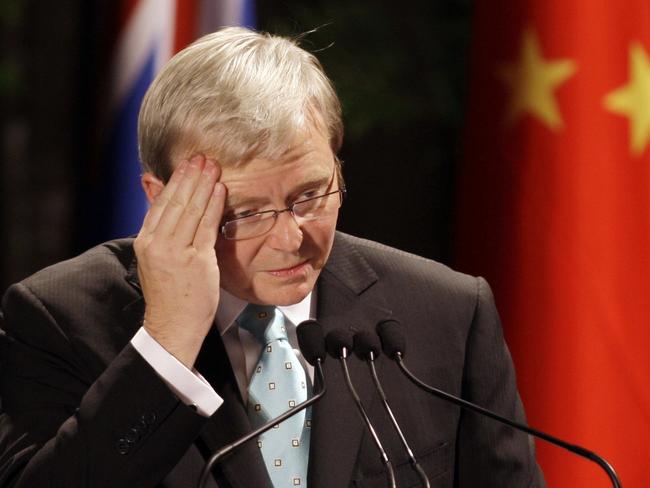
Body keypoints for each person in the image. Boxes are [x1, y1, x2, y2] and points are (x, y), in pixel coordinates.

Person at [0, 27, 544, 487]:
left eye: (310, 195)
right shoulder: (57, 318)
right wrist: (167, 342)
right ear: (160, 199)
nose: (291, 239)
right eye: (246, 212)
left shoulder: (446, 311)